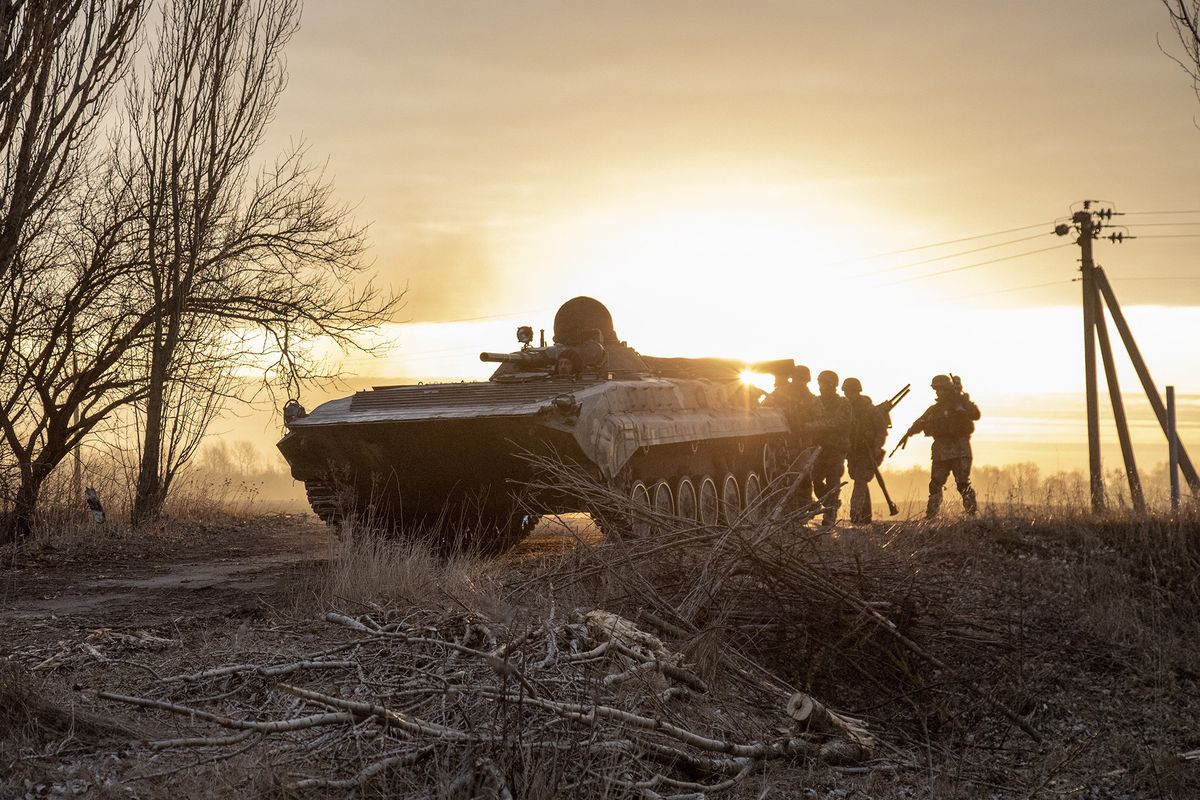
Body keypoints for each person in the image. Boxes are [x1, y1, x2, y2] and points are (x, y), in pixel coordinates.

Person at [901, 374, 981, 518]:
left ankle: (971, 514)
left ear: (947, 389)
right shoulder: (935, 409)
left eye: (941, 389)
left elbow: (975, 414)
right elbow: (920, 422)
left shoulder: (960, 404)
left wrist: (964, 399)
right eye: (936, 389)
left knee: (962, 484)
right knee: (935, 485)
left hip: (959, 450)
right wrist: (908, 434)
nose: (938, 392)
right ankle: (931, 515)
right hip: (941, 451)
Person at [808, 370, 850, 525]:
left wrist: (812, 426)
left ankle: (830, 514)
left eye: (824, 383)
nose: (820, 386)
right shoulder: (815, 401)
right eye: (820, 383)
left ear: (832, 384)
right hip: (819, 449)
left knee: (833, 481)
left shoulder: (843, 403)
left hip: (835, 449)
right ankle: (830, 505)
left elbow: (839, 423)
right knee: (816, 481)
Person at [842, 377, 887, 524]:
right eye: (847, 392)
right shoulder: (845, 408)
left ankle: (855, 515)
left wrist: (875, 448)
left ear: (857, 392)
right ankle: (865, 517)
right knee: (858, 479)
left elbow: (881, 430)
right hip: (852, 452)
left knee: (860, 481)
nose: (849, 395)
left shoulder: (870, 410)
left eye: (851, 392)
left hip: (866, 451)